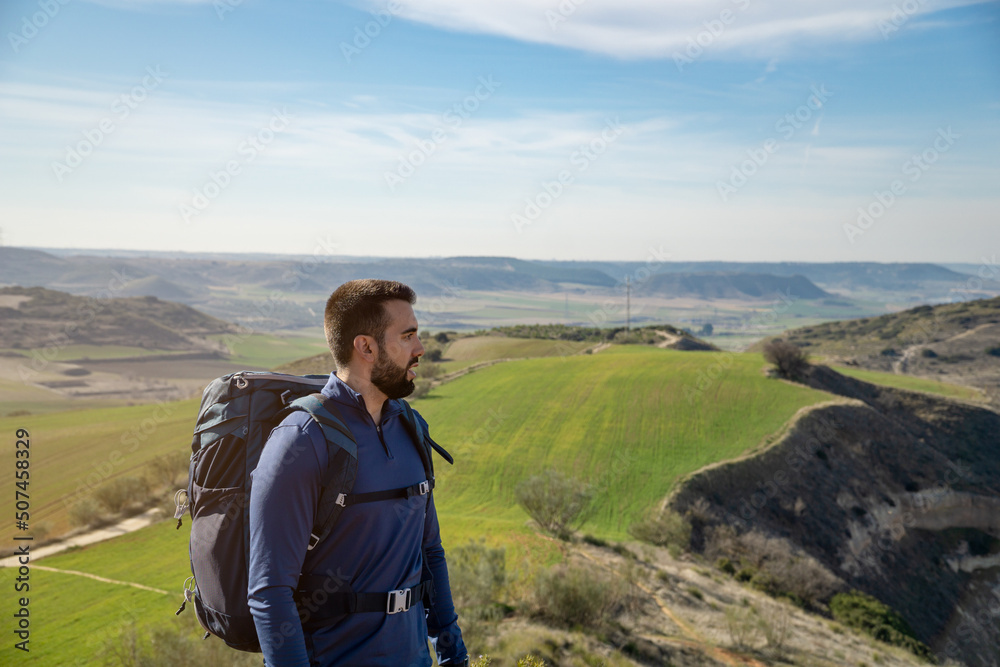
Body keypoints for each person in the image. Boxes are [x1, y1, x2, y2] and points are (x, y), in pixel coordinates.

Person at [247, 279, 469, 667]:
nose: (419, 349)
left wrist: (453, 654)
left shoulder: (411, 428)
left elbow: (430, 552)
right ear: (366, 346)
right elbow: (269, 593)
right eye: (408, 336)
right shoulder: (300, 441)